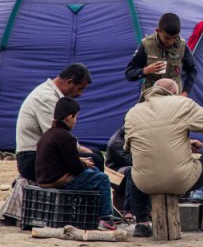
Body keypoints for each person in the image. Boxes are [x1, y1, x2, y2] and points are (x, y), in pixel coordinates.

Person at [124, 78, 203, 238]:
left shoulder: (133, 111)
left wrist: (184, 143)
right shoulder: (181, 104)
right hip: (179, 180)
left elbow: (136, 146)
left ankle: (141, 224)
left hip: (144, 183)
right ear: (174, 93)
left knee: (136, 171)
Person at [35, 97, 116, 231]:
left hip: (44, 178)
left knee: (94, 171)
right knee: (102, 179)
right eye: (75, 117)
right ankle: (106, 217)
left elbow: (63, 159)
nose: (75, 121)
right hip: (58, 180)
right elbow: (75, 169)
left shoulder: (48, 134)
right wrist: (84, 165)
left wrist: (82, 161)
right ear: (68, 118)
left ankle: (100, 213)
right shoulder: (66, 137)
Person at [15, 63, 102, 182]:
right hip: (32, 159)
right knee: (94, 159)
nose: (80, 94)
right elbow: (56, 136)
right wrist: (80, 151)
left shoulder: (52, 94)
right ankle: (91, 196)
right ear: (69, 82)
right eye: (80, 89)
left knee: (96, 153)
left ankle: (92, 194)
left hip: (43, 154)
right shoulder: (46, 98)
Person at [125, 13, 197, 97]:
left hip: (174, 100)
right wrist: (146, 70)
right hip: (151, 99)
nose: (171, 42)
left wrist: (185, 92)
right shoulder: (147, 45)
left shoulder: (182, 46)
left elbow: (192, 70)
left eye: (174, 38)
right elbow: (129, 74)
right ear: (158, 31)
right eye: (167, 38)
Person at [105, 126, 134, 220]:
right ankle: (128, 209)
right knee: (132, 170)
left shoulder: (131, 136)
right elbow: (130, 161)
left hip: (124, 169)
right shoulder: (116, 142)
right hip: (115, 174)